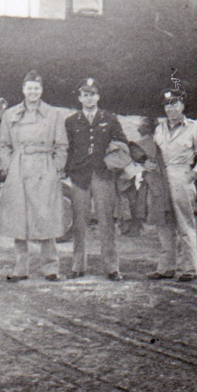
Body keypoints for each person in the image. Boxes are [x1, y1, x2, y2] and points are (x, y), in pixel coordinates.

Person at [0, 70, 68, 281]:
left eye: (36, 88)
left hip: (44, 167)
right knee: (19, 219)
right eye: (29, 88)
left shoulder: (53, 114)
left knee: (46, 217)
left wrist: (55, 169)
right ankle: (21, 266)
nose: (33, 92)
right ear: (23, 90)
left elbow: (62, 145)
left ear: (42, 90)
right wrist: (9, 167)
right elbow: (3, 144)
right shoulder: (10, 114)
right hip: (19, 168)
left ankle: (51, 266)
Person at [64, 78, 128, 281]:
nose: (88, 98)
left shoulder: (109, 119)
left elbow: (123, 144)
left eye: (92, 94)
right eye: (85, 94)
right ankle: (77, 266)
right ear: (79, 97)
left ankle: (111, 267)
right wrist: (68, 170)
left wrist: (112, 162)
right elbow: (68, 148)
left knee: (106, 221)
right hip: (80, 177)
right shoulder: (71, 121)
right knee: (79, 222)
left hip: (103, 176)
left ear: (98, 96)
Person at [147, 88, 197, 282]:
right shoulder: (159, 129)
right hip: (162, 180)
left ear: (182, 106)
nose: (171, 108)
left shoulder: (193, 128)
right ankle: (166, 267)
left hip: (182, 177)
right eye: (167, 105)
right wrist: (148, 163)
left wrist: (194, 174)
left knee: (185, 225)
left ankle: (189, 269)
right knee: (164, 225)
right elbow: (153, 153)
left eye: (174, 104)